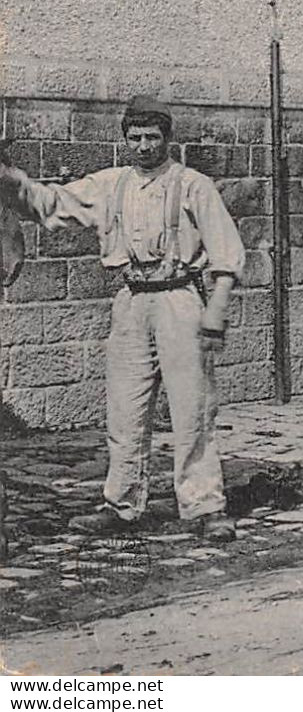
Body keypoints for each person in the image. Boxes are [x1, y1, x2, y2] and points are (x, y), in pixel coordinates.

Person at [0, 96, 244, 541]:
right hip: (131, 302)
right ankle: (121, 503)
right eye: (135, 138)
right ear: (125, 140)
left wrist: (216, 310)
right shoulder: (110, 185)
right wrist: (11, 180)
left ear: (168, 139)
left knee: (193, 408)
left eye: (153, 137)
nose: (145, 146)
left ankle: (206, 506)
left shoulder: (194, 185)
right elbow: (53, 204)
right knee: (124, 409)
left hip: (181, 301)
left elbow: (226, 256)